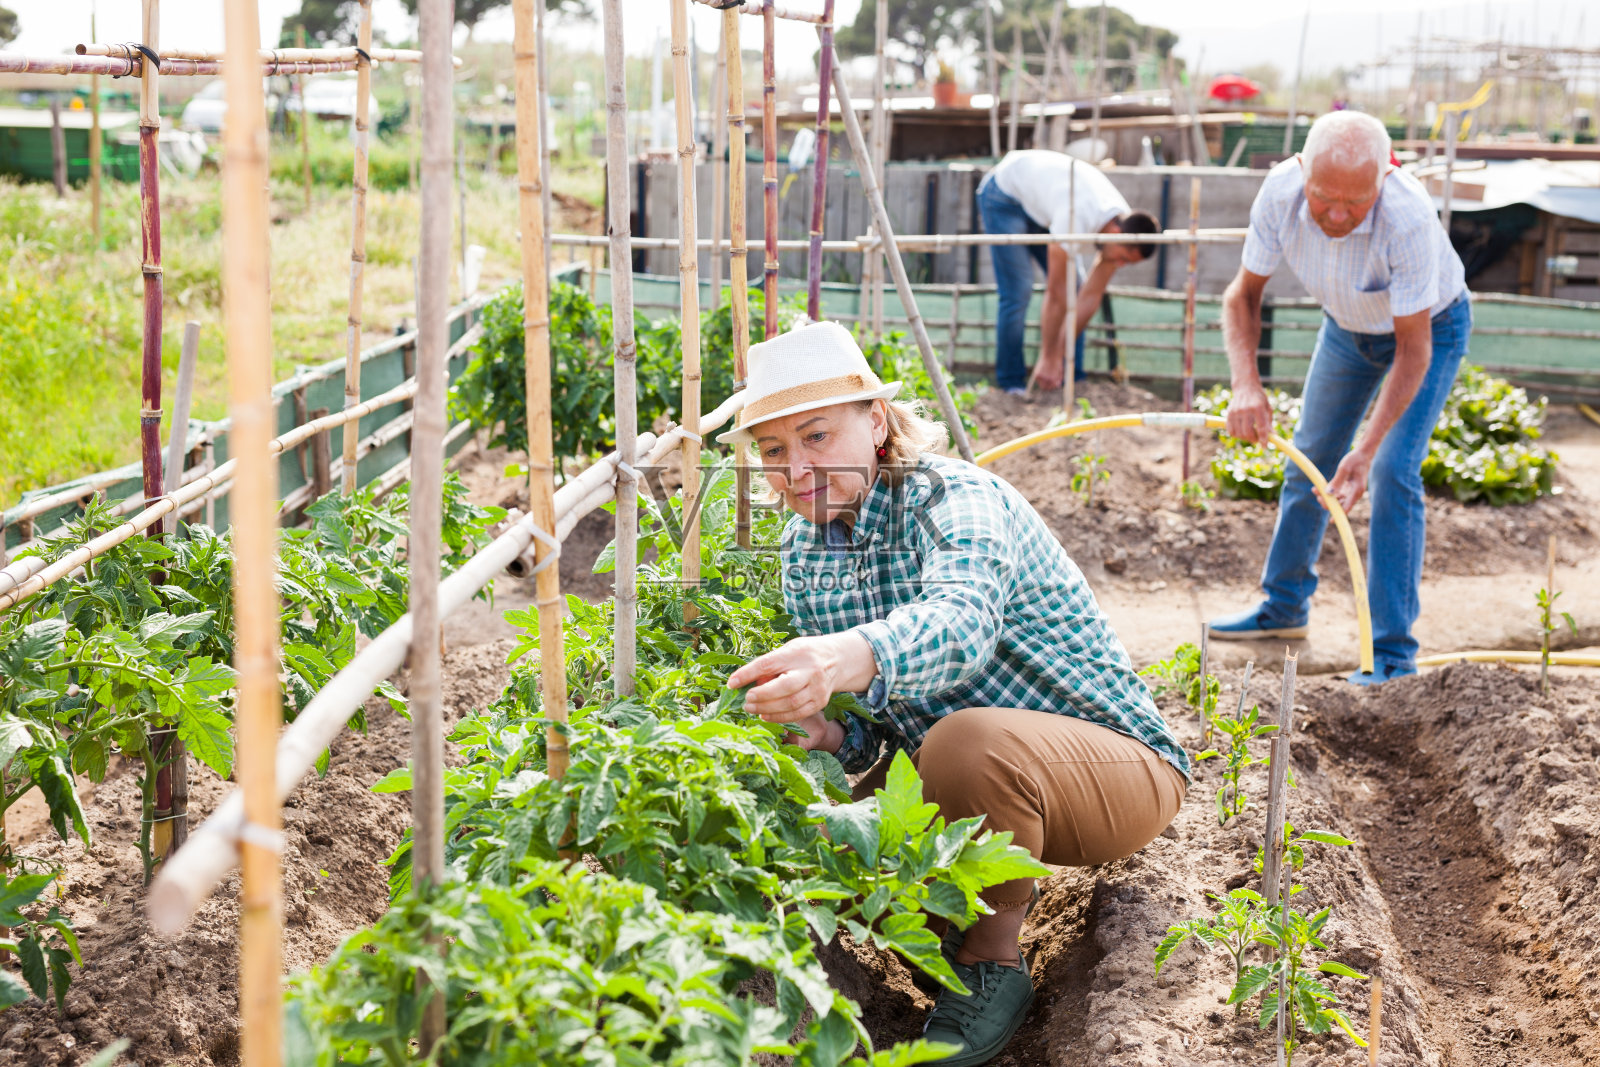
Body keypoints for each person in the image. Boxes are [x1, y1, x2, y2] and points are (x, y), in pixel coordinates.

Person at [717, 321, 1189, 1067]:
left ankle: (993, 958)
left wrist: (844, 654)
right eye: (773, 451)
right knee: (831, 833)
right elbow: (883, 732)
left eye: (814, 435)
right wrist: (833, 737)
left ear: (875, 423)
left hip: (1116, 775)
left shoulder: (955, 497)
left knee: (967, 742)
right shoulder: (806, 553)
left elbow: (962, 623)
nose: (794, 467)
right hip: (991, 790)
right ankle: (930, 931)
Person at [1208, 111, 1472, 684]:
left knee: (1394, 472)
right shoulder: (1280, 192)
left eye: (1356, 203)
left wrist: (1369, 448)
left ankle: (1392, 655)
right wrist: (1246, 384)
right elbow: (1242, 296)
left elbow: (1413, 350)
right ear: (1304, 172)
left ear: (1384, 178)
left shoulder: (1406, 215)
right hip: (1347, 332)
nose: (1336, 214)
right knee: (1309, 457)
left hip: (1428, 332)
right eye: (1324, 197)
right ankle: (1283, 608)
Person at [977, 150, 1159, 394]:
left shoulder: (1125, 226)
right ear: (1115, 235)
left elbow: (1090, 296)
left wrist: (1059, 351)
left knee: (1076, 289)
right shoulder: (1077, 216)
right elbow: (1055, 292)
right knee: (1018, 290)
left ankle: (1069, 375)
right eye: (1124, 259)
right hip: (1005, 194)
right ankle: (1012, 383)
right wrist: (1049, 355)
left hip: (1044, 206)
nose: (1121, 265)